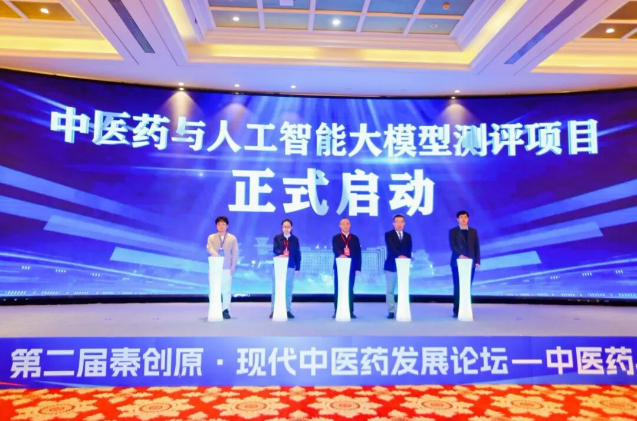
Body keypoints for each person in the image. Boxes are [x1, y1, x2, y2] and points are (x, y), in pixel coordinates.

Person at [449, 210, 480, 318]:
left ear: (468, 219)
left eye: (465, 217)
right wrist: (460, 255)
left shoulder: (473, 231)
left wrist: (477, 261)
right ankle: (457, 310)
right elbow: (453, 245)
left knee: (467, 286)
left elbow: (476, 247)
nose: (463, 219)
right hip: (457, 263)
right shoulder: (453, 231)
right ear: (457, 219)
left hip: (470, 263)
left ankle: (466, 309)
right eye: (461, 217)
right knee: (458, 286)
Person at [206, 216, 238, 319]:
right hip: (215, 267)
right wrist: (217, 255)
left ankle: (225, 310)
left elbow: (235, 253)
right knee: (214, 289)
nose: (221, 226)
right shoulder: (211, 237)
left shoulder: (232, 238)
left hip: (227, 267)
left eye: (223, 224)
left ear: (227, 226)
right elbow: (209, 248)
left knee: (226, 290)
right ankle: (215, 308)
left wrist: (233, 266)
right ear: (216, 226)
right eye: (219, 224)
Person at [383, 214, 412, 319]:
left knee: (403, 289)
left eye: (401, 222)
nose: (399, 224)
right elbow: (391, 248)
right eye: (397, 221)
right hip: (391, 266)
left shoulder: (408, 236)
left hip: (404, 266)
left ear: (404, 223)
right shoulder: (388, 235)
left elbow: (409, 249)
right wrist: (400, 255)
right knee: (390, 290)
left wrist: (405, 257)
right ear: (393, 223)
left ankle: (402, 309)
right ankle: (391, 311)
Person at [271, 218, 301, 319]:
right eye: (284, 226)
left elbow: (297, 253)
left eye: (288, 227)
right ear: (282, 227)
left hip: (290, 266)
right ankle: (274, 310)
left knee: (288, 288)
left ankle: (287, 310)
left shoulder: (295, 239)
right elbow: (275, 249)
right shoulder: (277, 238)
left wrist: (298, 267)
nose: (286, 228)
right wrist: (281, 253)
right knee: (276, 288)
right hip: (278, 266)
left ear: (291, 228)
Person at [332, 218, 361, 318]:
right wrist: (341, 254)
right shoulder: (336, 238)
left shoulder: (355, 238)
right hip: (339, 266)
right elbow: (335, 249)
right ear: (340, 226)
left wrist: (358, 267)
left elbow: (358, 253)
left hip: (351, 267)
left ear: (350, 225)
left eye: (347, 224)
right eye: (343, 224)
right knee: (338, 288)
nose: (345, 226)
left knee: (350, 288)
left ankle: (350, 311)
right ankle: (337, 310)